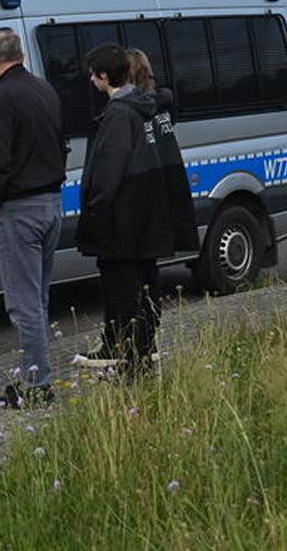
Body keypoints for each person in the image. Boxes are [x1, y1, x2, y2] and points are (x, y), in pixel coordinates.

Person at [73, 42, 197, 374]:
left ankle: (134, 361)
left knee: (126, 289)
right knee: (146, 281)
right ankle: (142, 350)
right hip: (149, 212)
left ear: (103, 76)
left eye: (92, 75)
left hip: (124, 218)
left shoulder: (119, 113)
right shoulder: (148, 106)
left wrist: (94, 211)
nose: (90, 81)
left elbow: (109, 171)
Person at [0, 29, 66, 408]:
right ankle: (36, 372)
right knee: (39, 298)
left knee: (23, 302)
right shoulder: (45, 90)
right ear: (22, 55)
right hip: (51, 202)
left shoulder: (0, 98)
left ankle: (36, 384)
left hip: (20, 209)